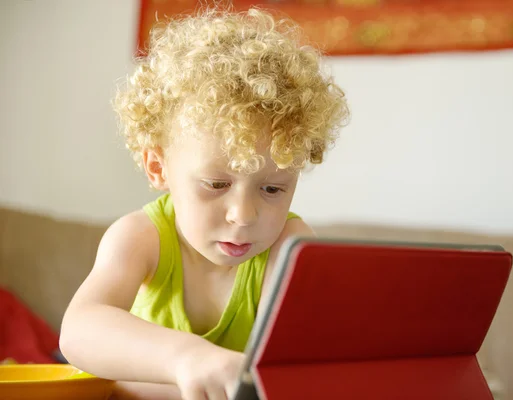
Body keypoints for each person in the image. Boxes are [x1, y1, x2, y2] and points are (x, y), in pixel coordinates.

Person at [59, 5, 349, 400]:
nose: (243, 216)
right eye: (215, 183)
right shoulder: (140, 238)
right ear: (158, 167)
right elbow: (79, 330)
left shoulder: (290, 245)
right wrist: (186, 357)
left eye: (273, 189)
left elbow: (296, 363)